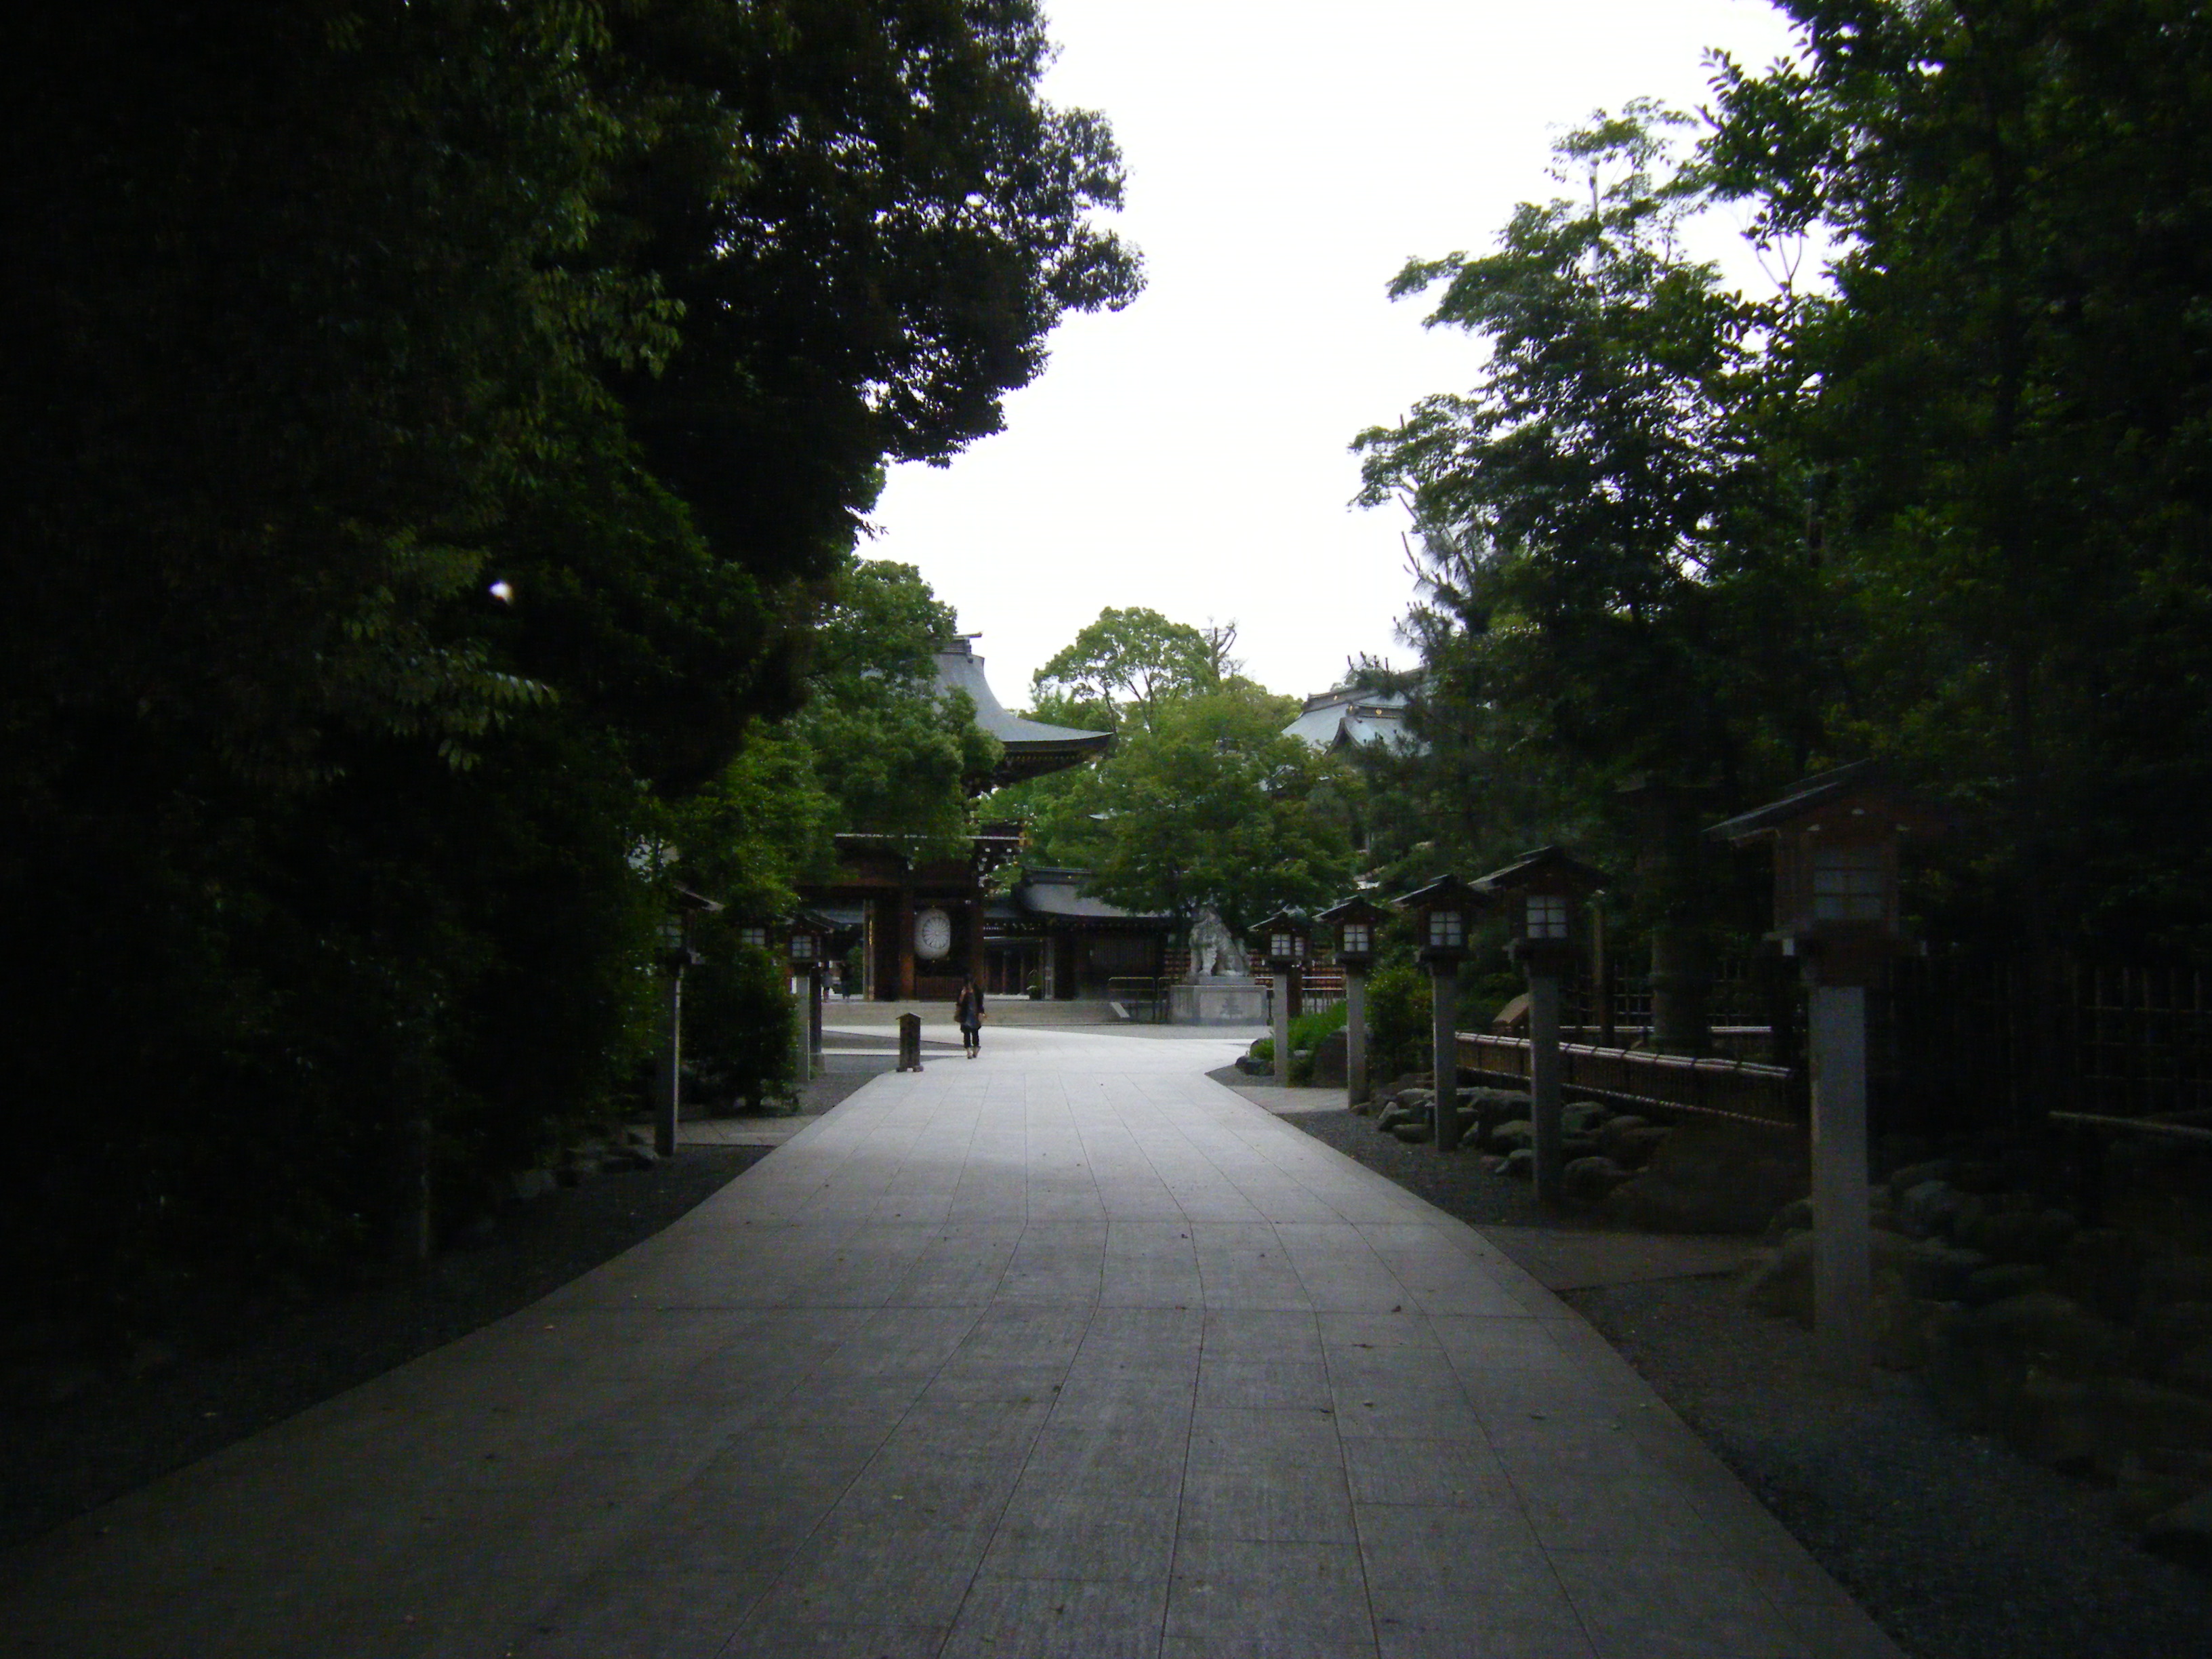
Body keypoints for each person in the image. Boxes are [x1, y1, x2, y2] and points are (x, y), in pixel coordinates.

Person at [955, 977, 985, 1058]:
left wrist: (981, 1012)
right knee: (966, 1033)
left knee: (975, 1033)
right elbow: (959, 1003)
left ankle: (975, 1049)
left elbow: (980, 1003)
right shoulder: (962, 991)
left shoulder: (977, 991)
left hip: (975, 1014)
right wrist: (962, 995)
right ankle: (968, 1051)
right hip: (966, 1015)